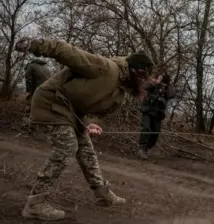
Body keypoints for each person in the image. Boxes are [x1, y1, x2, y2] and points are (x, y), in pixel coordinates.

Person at [13, 37, 155, 221]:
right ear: (137, 71)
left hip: (72, 112)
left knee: (86, 150)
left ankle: (102, 194)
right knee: (67, 147)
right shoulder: (106, 68)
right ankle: (35, 204)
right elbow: (68, 52)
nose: (146, 82)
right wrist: (34, 45)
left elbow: (94, 109)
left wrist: (91, 123)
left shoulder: (120, 92)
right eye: (145, 77)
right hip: (51, 101)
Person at [138, 73, 176, 159]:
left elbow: (172, 94)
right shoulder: (154, 86)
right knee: (146, 128)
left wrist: (168, 84)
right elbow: (145, 86)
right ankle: (141, 149)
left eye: (163, 81)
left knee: (155, 133)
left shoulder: (168, 89)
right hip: (147, 110)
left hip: (158, 114)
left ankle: (146, 149)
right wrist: (156, 82)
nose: (162, 83)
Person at [20, 59, 52, 135]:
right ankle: (47, 132)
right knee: (43, 112)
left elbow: (28, 80)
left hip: (37, 92)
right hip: (48, 94)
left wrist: (29, 92)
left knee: (29, 110)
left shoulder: (30, 66)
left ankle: (25, 132)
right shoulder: (46, 68)